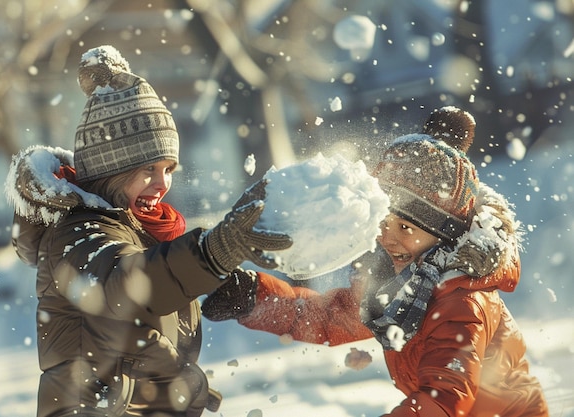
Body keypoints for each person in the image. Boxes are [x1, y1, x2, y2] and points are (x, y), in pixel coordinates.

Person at [201, 107, 549, 416]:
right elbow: (329, 318)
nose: (389, 236)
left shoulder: (462, 302)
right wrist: (255, 298)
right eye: (384, 221)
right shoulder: (397, 283)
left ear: (446, 234)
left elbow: (445, 397)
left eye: (406, 226)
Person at [4, 45, 292, 417]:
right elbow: (127, 283)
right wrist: (211, 254)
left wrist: (248, 289)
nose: (163, 183)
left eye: (169, 169)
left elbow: (153, 295)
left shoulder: (142, 233)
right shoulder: (76, 235)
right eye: (148, 169)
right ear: (111, 169)